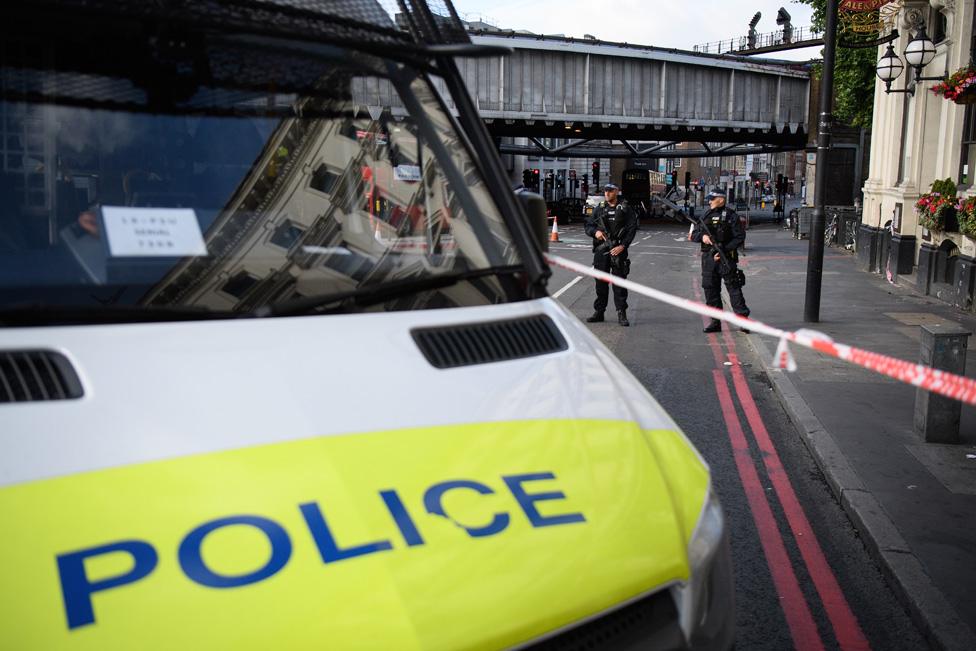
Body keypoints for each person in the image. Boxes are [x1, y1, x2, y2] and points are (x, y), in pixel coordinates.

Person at [689, 188, 750, 333]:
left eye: (712, 198)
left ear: (721, 199)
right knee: (710, 290)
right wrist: (702, 237)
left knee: (734, 289)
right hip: (709, 258)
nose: (709, 201)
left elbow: (740, 237)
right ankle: (715, 322)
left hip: (726, 257)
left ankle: (743, 321)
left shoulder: (731, 216)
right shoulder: (705, 215)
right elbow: (693, 234)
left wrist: (724, 249)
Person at [584, 183, 637, 326]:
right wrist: (595, 232)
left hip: (618, 250)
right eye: (605, 191)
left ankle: (621, 313)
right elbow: (588, 225)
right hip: (602, 250)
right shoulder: (600, 208)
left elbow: (632, 229)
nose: (606, 194)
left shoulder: (625, 208)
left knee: (619, 283)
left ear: (617, 192)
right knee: (600, 283)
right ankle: (599, 312)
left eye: (610, 191)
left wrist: (623, 246)